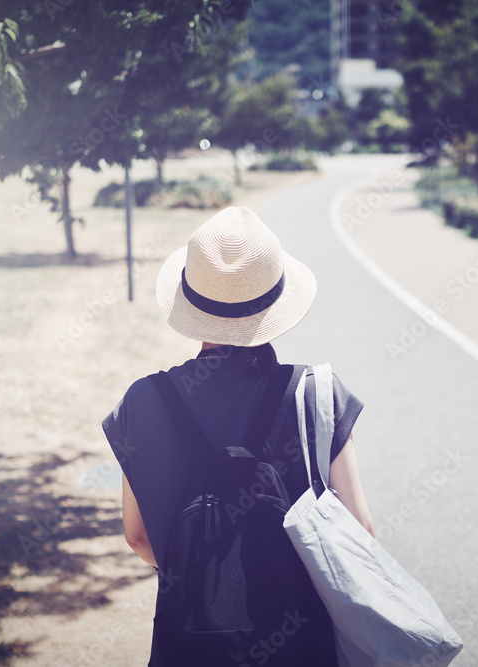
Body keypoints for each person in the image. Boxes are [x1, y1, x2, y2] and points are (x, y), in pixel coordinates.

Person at [102, 206, 375, 666]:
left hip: (188, 641)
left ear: (192, 302)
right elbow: (359, 529)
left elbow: (138, 537)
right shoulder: (316, 394)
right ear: (274, 302)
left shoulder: (143, 401)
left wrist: (203, 579)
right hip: (300, 642)